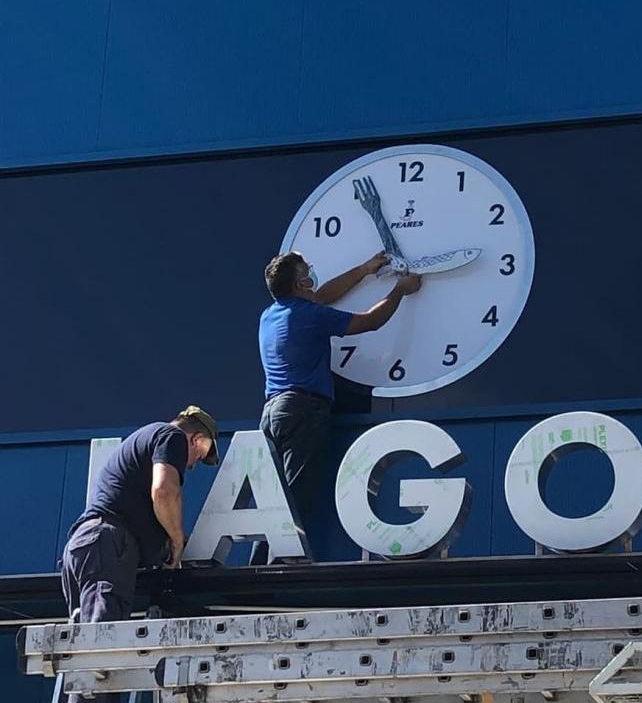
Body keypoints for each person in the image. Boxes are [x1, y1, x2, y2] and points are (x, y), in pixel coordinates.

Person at [251, 251, 421, 564]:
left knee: (275, 497)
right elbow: (370, 321)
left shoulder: (271, 315)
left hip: (273, 411)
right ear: (302, 284)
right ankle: (281, 564)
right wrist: (400, 290)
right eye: (307, 272)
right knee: (296, 493)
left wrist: (364, 269)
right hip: (303, 408)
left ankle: (258, 565)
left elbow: (322, 295)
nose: (312, 275)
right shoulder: (309, 315)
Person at [60, 406, 219, 701]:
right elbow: (163, 490)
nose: (194, 465)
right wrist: (175, 538)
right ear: (196, 439)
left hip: (87, 547)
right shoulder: (171, 436)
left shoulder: (143, 441)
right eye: (200, 455)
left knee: (90, 664)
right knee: (100, 662)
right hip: (107, 545)